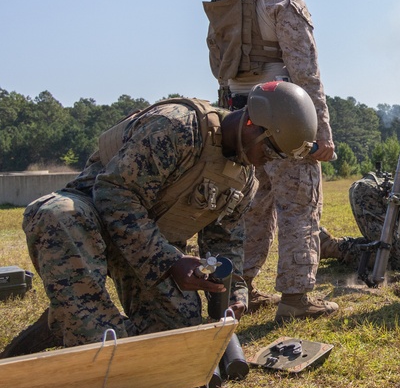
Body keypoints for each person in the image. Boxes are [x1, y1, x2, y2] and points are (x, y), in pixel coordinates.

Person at [2, 82, 318, 357]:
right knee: (56, 215)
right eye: (273, 151)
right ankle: (89, 327)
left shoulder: (242, 177)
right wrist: (168, 262)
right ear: (251, 123)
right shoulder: (178, 128)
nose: (269, 161)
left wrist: (233, 293)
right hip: (94, 219)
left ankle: (68, 315)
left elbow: (225, 240)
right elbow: (114, 194)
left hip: (150, 243)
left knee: (178, 338)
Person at [203, 0, 337, 321]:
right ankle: (296, 299)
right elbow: (306, 73)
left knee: (251, 204)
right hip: (282, 114)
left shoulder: (232, 0)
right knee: (300, 202)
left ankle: (241, 287)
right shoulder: (283, 0)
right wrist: (322, 135)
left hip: (236, 116)